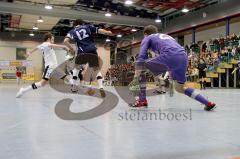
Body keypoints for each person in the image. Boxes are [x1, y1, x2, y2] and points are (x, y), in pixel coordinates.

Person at [129, 25, 216, 111]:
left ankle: (142, 101)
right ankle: (207, 103)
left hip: (170, 55)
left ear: (145, 34)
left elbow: (142, 56)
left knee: (140, 67)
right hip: (183, 57)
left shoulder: (148, 38)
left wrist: (137, 74)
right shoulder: (167, 37)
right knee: (180, 88)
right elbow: (173, 52)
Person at [64, 19, 113, 97]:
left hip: (82, 52)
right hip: (92, 50)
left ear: (75, 25)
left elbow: (65, 41)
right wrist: (107, 32)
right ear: (82, 23)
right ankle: (101, 87)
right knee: (96, 69)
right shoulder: (87, 27)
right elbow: (100, 30)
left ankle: (73, 87)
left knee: (76, 69)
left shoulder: (72, 31)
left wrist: (71, 49)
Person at [16, 32, 69, 98]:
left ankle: (74, 86)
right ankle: (23, 90)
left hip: (54, 67)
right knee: (42, 83)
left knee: (65, 78)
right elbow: (50, 45)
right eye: (52, 39)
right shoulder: (47, 44)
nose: (53, 41)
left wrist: (29, 53)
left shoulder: (44, 45)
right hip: (50, 67)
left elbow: (37, 47)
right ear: (49, 39)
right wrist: (64, 46)